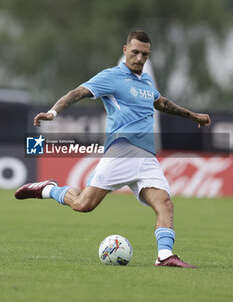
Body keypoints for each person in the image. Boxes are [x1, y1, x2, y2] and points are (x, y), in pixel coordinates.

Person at [15, 30, 211, 268]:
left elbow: (163, 104)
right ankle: (49, 189)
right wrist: (53, 112)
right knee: (83, 205)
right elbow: (77, 93)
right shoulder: (111, 77)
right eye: (135, 52)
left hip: (147, 157)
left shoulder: (146, 82)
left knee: (165, 204)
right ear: (125, 50)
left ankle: (164, 255)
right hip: (122, 150)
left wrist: (193, 116)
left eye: (145, 55)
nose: (139, 58)